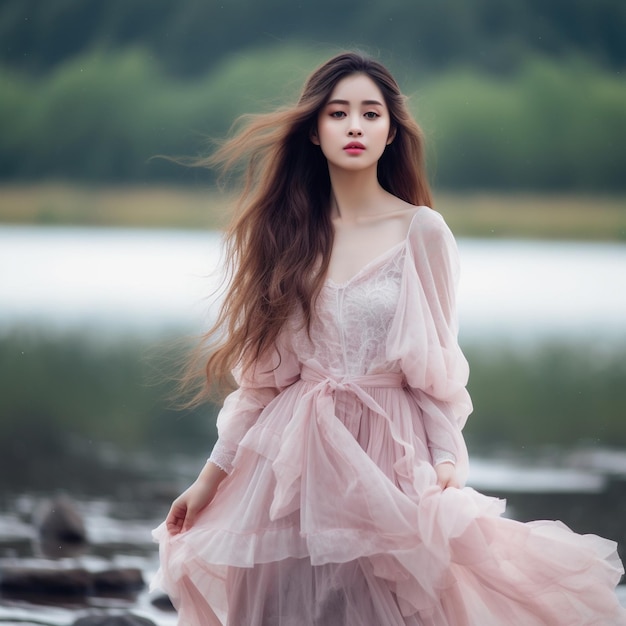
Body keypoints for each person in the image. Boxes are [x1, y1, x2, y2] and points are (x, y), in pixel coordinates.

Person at [152, 52, 626, 625]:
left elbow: (437, 367)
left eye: (370, 114)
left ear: (391, 131)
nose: (355, 126)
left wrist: (448, 457)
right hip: (290, 462)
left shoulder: (422, 231)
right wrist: (208, 481)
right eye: (339, 113)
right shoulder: (283, 232)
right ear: (314, 131)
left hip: (389, 454)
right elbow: (261, 384)